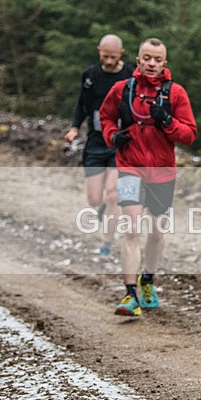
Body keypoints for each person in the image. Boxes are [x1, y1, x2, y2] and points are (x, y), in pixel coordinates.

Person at [99, 38, 197, 317]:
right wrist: (112, 135)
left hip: (162, 172)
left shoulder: (175, 93)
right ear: (138, 60)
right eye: (146, 58)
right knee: (131, 229)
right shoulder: (122, 89)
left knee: (155, 232)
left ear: (164, 63)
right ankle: (129, 294)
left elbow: (190, 134)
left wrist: (167, 121)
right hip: (129, 166)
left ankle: (148, 281)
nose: (151, 64)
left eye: (157, 59)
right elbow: (104, 117)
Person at [65, 34, 135, 261]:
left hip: (120, 142)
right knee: (94, 199)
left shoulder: (131, 75)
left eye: (112, 57)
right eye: (104, 56)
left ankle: (106, 243)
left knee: (114, 193)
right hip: (96, 141)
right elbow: (81, 104)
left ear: (121, 54)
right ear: (98, 51)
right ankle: (102, 206)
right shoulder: (90, 76)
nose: (107, 61)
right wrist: (75, 127)